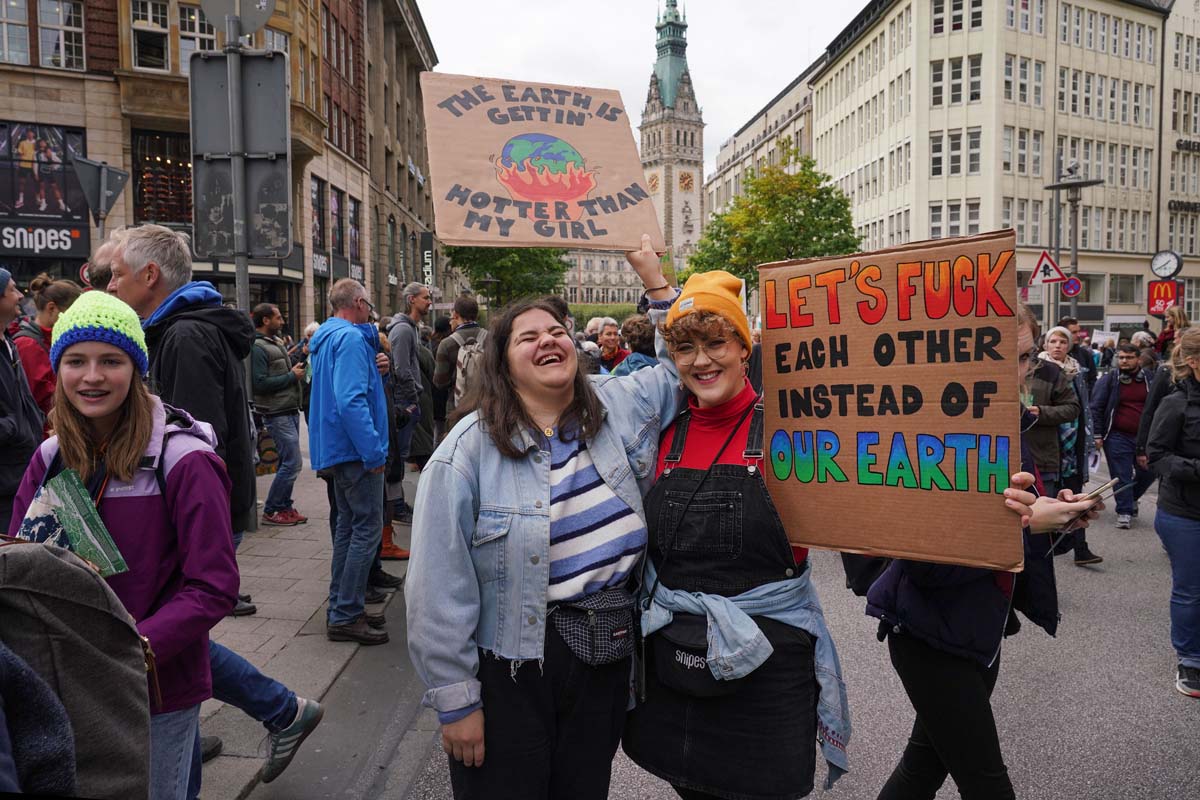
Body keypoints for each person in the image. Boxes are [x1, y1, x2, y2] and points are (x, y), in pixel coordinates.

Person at [405, 235, 678, 800]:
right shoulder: (466, 452)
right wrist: (457, 702)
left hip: (604, 654)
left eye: (557, 331)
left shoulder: (616, 403)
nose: (548, 340)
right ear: (503, 363)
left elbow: (684, 366)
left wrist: (655, 281)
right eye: (528, 337)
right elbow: (436, 586)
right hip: (512, 665)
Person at [621, 271, 851, 799]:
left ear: (744, 348)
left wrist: (995, 506)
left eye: (716, 343)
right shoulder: (658, 434)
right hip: (677, 661)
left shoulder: (796, 432)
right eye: (685, 348)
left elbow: (886, 504)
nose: (701, 360)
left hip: (767, 674)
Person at [107, 226, 322, 785]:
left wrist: (181, 525)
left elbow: (192, 441)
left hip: (190, 516)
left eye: (117, 275)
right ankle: (274, 715)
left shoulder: (182, 336)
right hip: (200, 511)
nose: (110, 285)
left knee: (173, 640)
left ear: (149, 276)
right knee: (178, 642)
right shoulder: (184, 327)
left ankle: (280, 710)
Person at [7, 291, 240, 800]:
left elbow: (213, 586)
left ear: (136, 369)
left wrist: (133, 650)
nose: (91, 377)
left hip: (155, 693)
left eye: (110, 361)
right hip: (62, 686)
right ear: (58, 369)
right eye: (76, 361)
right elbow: (20, 565)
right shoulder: (49, 457)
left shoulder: (184, 460)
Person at [867, 303, 1102, 800]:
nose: (1014, 372)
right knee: (987, 784)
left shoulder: (1007, 423)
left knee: (922, 768)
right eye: (998, 357)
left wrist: (1059, 515)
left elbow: (1022, 515)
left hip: (979, 626)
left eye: (1023, 357)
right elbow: (926, 566)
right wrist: (1023, 524)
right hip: (930, 634)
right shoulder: (928, 433)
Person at [309, 278, 391, 645]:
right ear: (358, 302)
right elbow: (351, 400)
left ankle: (343, 607)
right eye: (368, 305)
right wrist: (373, 451)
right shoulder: (351, 339)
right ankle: (345, 613)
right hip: (356, 450)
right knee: (365, 530)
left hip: (337, 448)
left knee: (347, 528)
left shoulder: (327, 337)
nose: (371, 312)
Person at [1147, 327, 1200, 699]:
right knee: (1191, 590)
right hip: (1184, 514)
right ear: (1194, 362)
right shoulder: (1175, 403)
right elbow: (1157, 456)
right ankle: (1190, 659)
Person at [1038, 325, 1098, 565]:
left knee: (1075, 494)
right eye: (1053, 341)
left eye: (1062, 342)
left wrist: (1091, 437)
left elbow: (1084, 408)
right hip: (1049, 442)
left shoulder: (1077, 371)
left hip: (1074, 441)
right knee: (1050, 495)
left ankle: (1080, 548)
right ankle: (1048, 546)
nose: (1058, 346)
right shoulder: (1038, 370)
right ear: (1045, 345)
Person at [251, 303, 308, 527]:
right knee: (293, 463)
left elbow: (284, 370)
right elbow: (259, 383)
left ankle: (284, 506)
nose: (282, 321)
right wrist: (292, 377)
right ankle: (272, 509)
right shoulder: (258, 347)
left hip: (288, 409)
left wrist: (301, 358)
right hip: (276, 412)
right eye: (278, 317)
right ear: (265, 320)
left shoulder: (275, 342)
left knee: (288, 461)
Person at [1090, 343, 1157, 529]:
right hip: (1117, 436)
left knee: (1149, 471)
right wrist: (1097, 434)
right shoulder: (1110, 380)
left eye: (1129, 357)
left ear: (1138, 359)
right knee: (1121, 474)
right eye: (1121, 357)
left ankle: (1131, 497)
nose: (1124, 361)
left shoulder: (1151, 380)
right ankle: (1125, 511)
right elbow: (1096, 407)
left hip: (1146, 437)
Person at [0, 268, 44, 533]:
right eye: (12, 290)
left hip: (21, 478)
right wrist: (15, 427)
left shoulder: (9, 343)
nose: (19, 296)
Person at [387, 282, 432, 523]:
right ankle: (395, 507)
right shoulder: (403, 330)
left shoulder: (410, 328)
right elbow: (401, 368)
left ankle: (396, 504)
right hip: (405, 402)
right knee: (398, 456)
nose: (429, 301)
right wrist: (412, 399)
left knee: (401, 455)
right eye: (425, 297)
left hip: (408, 400)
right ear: (411, 299)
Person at [12, 274, 81, 423]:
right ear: (52, 308)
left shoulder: (51, 339)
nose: (77, 319)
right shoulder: (28, 345)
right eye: (73, 313)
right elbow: (41, 398)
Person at [433, 294, 486, 425]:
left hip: (457, 406)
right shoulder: (491, 338)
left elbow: (440, 382)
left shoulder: (446, 344)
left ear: (456, 315)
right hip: (487, 403)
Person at [1057, 316, 1095, 391]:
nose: (1078, 335)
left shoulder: (1085, 354)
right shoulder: (1052, 355)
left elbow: (1092, 379)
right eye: (1074, 332)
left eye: (1078, 331)